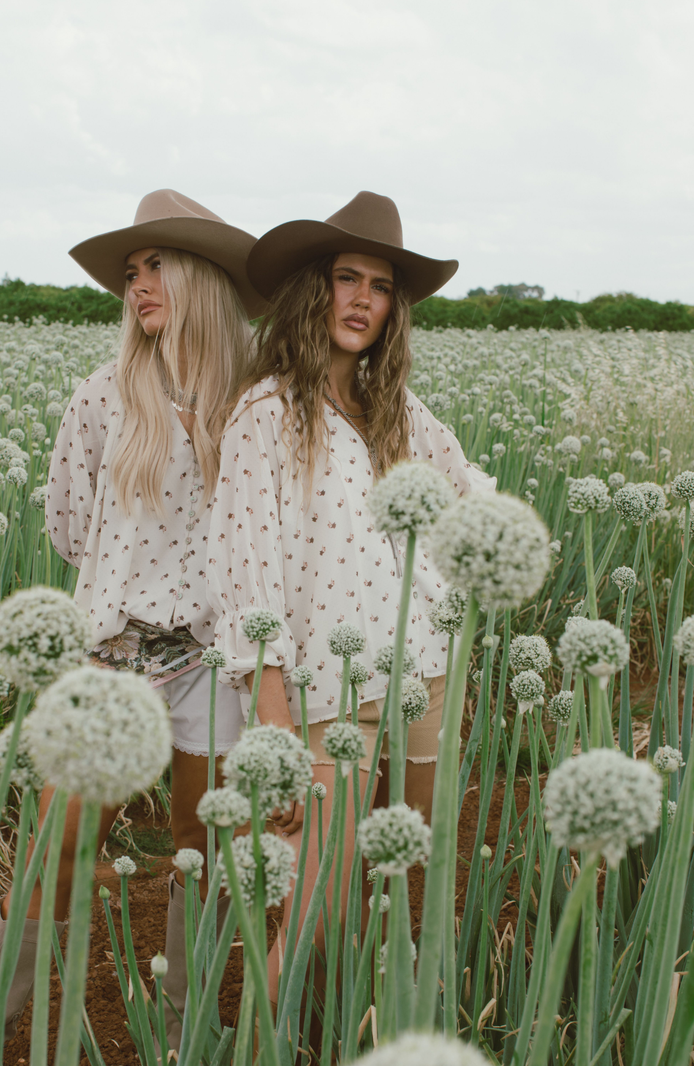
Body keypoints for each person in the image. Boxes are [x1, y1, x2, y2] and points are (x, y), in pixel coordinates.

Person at [0, 190, 265, 1066]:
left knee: (200, 856)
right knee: (54, 854)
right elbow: (73, 530)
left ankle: (178, 1050)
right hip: (112, 659)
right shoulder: (101, 393)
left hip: (218, 661)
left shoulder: (258, 401)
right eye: (130, 272)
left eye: (155, 266)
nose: (138, 285)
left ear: (198, 278)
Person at [206, 191, 496, 1009]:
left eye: (379, 285)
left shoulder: (400, 413)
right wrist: (276, 736)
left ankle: (366, 1045)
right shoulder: (262, 415)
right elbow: (247, 583)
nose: (362, 298)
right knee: (313, 910)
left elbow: (469, 494)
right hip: (325, 699)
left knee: (406, 885)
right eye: (346, 277)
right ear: (313, 289)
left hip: (426, 677)